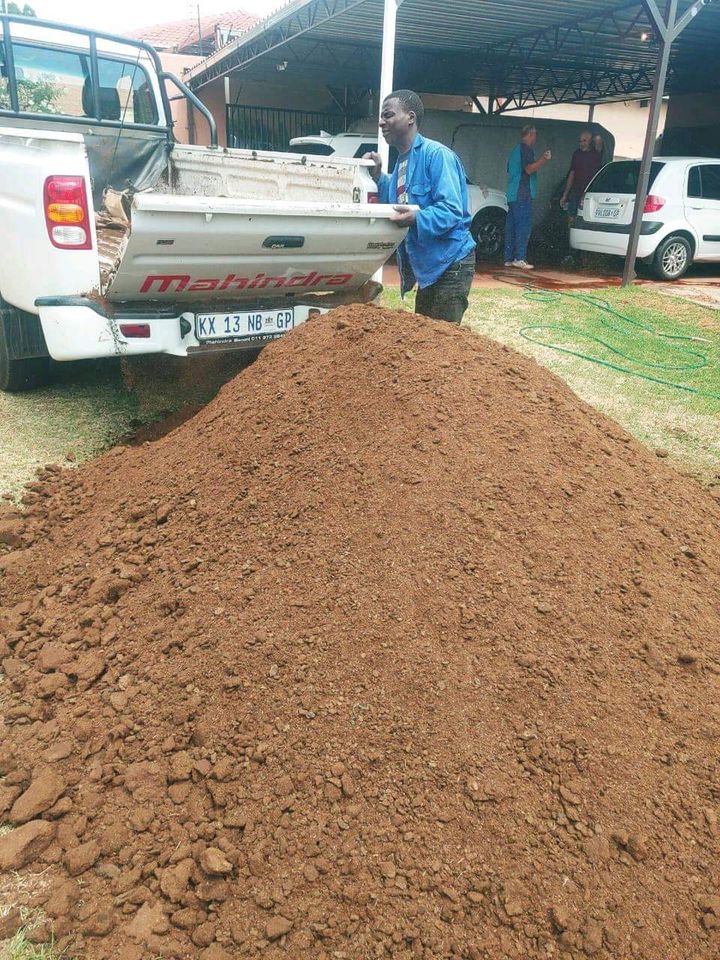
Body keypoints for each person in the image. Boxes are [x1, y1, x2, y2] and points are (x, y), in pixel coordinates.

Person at [365, 89, 476, 325]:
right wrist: (378, 176)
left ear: (411, 118)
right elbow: (396, 203)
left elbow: (451, 210)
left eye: (388, 115)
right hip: (430, 269)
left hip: (451, 264)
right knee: (426, 335)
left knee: (441, 340)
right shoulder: (401, 163)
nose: (381, 122)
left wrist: (416, 218)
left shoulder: (437, 156)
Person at [504, 125, 552, 270]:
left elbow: (510, 170)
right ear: (530, 134)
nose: (535, 138)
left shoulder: (515, 150)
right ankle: (519, 258)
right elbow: (529, 169)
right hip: (522, 193)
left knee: (511, 227)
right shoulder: (526, 149)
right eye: (535, 135)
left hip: (512, 194)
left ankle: (508, 258)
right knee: (523, 226)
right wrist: (544, 159)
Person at [560, 129, 603, 220]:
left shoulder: (596, 154)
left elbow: (599, 139)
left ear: (590, 141)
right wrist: (565, 194)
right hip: (576, 190)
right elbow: (572, 173)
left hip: (589, 192)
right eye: (580, 141)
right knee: (571, 216)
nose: (582, 143)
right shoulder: (576, 154)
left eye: (585, 141)